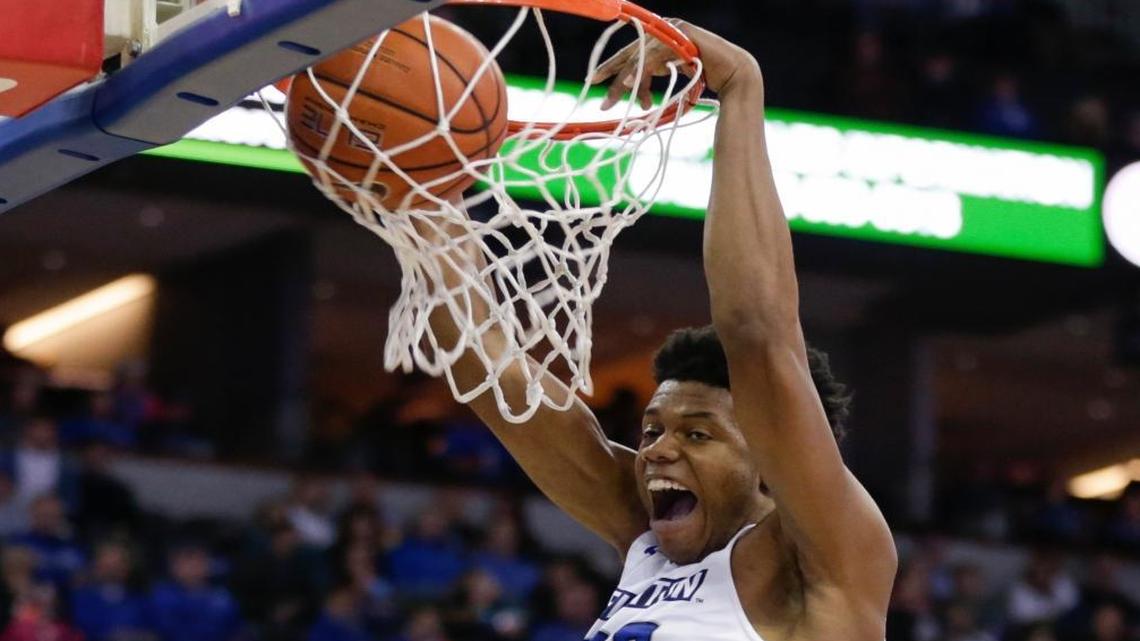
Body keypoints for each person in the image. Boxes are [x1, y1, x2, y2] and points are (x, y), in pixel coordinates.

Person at [419, 19, 896, 641]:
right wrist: (421, 195)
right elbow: (489, 375)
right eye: (652, 429)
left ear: (768, 466)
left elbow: (756, 332)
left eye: (698, 433)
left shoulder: (823, 565)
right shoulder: (645, 537)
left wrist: (739, 86)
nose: (657, 451)